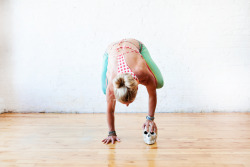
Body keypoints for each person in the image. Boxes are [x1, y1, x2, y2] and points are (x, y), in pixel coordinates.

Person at [101, 38, 163, 144]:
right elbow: (110, 110)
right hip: (111, 50)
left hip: (134, 45)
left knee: (159, 82)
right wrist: (111, 133)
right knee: (104, 90)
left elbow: (152, 94)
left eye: (128, 103)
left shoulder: (142, 73)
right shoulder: (111, 86)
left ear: (137, 86)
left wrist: (150, 119)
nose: (127, 106)